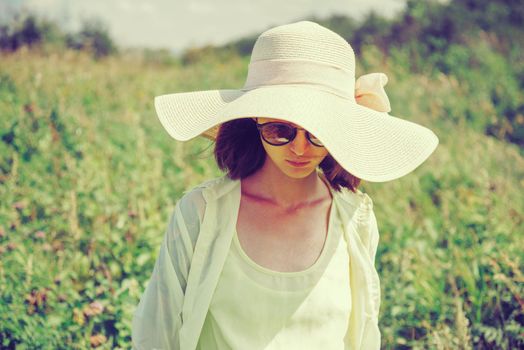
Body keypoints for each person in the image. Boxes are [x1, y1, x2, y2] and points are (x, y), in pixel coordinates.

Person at [131, 21, 439, 350]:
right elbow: (156, 335)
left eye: (318, 133)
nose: (300, 149)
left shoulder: (355, 220)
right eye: (281, 130)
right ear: (255, 119)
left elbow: (362, 336)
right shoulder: (201, 214)